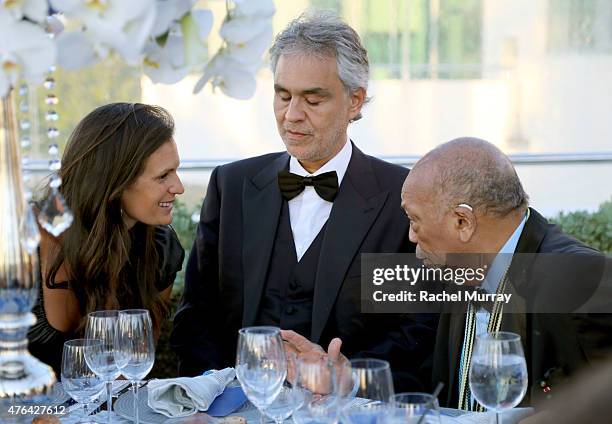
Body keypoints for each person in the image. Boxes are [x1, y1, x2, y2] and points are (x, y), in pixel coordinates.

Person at [171, 11, 435, 390]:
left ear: (355, 101)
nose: (292, 115)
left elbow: (418, 329)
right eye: (283, 95)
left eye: (313, 99)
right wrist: (217, 392)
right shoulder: (230, 185)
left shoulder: (403, 196)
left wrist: (346, 378)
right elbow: (195, 316)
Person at [400, 137, 611, 409]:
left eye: (414, 220)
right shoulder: (456, 270)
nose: (411, 236)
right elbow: (428, 376)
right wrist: (354, 379)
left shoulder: (577, 276)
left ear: (463, 222)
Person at [28, 103, 185, 377]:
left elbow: (134, 368)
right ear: (114, 181)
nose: (179, 187)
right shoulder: (23, 242)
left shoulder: (161, 249)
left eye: (175, 171)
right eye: (163, 176)